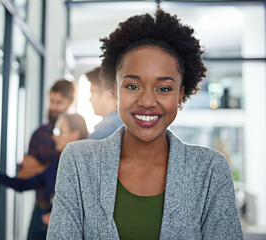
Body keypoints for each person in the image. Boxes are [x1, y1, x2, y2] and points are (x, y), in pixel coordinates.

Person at [47, 8, 243, 239]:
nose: (148, 101)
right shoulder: (79, 161)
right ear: (115, 90)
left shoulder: (209, 170)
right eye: (132, 86)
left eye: (164, 89)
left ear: (180, 95)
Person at [0, 79, 74, 240]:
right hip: (40, 207)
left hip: (64, 213)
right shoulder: (40, 134)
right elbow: (24, 174)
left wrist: (42, 168)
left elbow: (62, 174)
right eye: (52, 101)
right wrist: (50, 169)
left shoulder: (77, 138)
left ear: (70, 103)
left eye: (59, 102)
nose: (54, 107)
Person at [0, 113, 88, 234]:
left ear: (75, 134)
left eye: (60, 131)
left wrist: (59, 217)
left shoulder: (86, 168)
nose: (54, 137)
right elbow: (23, 184)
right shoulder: (56, 166)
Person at [85, 66, 123, 140]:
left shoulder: (108, 128)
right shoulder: (124, 123)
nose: (90, 99)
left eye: (92, 92)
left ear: (108, 94)